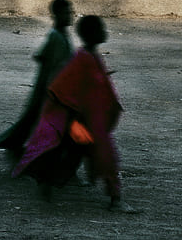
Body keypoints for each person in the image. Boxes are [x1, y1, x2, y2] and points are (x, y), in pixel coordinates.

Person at [14, 13, 125, 210]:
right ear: (91, 34)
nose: (104, 32)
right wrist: (71, 120)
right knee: (104, 156)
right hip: (80, 122)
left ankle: (47, 184)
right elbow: (61, 89)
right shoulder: (82, 59)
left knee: (76, 156)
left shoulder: (90, 57)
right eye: (101, 29)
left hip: (88, 121)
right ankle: (115, 199)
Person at [0, 0, 75, 157]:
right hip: (54, 91)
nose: (71, 15)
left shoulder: (60, 35)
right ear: (57, 15)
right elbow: (50, 64)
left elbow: (44, 57)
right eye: (67, 12)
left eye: (71, 12)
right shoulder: (56, 36)